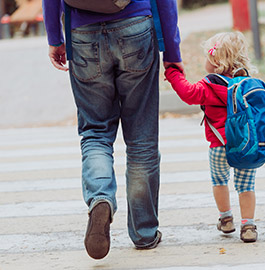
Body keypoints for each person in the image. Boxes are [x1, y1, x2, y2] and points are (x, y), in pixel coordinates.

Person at [42, 0, 182, 259]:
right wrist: (172, 52)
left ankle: (100, 198)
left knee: (95, 132)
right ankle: (144, 232)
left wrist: (54, 37)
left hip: (83, 33)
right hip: (136, 27)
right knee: (141, 138)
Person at [164, 32, 259, 243]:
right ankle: (248, 225)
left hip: (219, 146)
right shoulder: (247, 84)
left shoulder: (210, 85)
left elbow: (188, 93)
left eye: (207, 57)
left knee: (219, 181)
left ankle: (226, 219)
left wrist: (173, 73)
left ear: (216, 62)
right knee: (246, 186)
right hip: (246, 146)